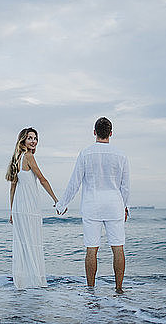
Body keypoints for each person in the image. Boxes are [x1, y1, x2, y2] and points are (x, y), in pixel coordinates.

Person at [55, 117, 130, 293]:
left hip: (92, 205)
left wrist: (62, 204)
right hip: (114, 205)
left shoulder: (85, 153)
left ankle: (91, 290)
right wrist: (125, 206)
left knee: (91, 249)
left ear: (94, 132)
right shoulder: (121, 155)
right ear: (111, 133)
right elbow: (125, 186)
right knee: (118, 248)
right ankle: (119, 289)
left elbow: (75, 182)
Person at [6, 127, 59, 289]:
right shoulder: (28, 157)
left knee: (24, 244)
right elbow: (42, 179)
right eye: (30, 138)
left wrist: (11, 211)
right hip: (29, 207)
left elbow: (13, 188)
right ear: (23, 140)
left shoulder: (17, 158)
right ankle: (35, 283)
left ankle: (23, 283)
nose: (33, 141)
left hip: (19, 207)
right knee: (32, 242)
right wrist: (56, 200)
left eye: (35, 138)